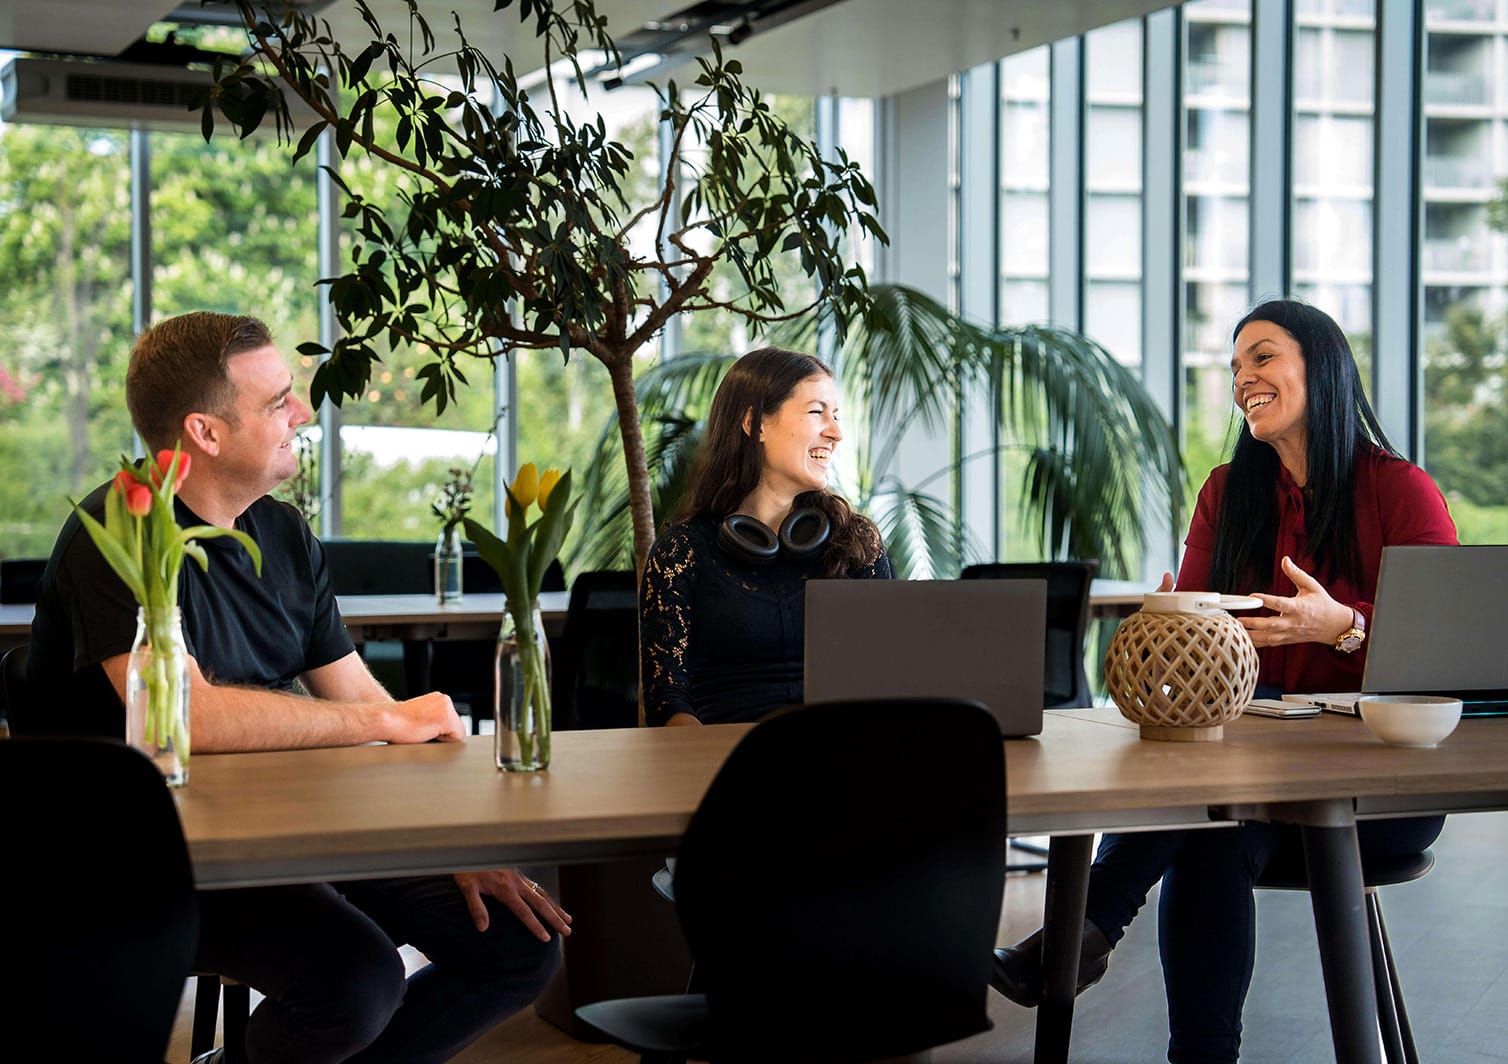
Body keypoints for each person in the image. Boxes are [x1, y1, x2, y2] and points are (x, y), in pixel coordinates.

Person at [26, 312, 572, 1064]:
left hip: (286, 836)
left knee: (517, 944)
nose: (304, 414)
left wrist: (442, 840)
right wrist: (387, 717)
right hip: (143, 862)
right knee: (356, 980)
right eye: (278, 400)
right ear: (205, 433)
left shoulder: (282, 534)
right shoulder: (120, 526)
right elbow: (195, 716)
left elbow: (356, 698)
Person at [991, 299, 1458, 1063]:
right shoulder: (1227, 491)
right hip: (1255, 777)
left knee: (1212, 808)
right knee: (1210, 826)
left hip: (1381, 786)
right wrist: (1172, 623)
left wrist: (1340, 625)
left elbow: (1443, 655)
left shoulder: (1400, 492)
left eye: (1262, 357)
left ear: (1322, 366)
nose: (1243, 379)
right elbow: (1193, 650)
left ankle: (1085, 929)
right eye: (1236, 366)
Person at [639, 346, 892, 727]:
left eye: (836, 415)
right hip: (726, 764)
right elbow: (667, 699)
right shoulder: (682, 553)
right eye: (816, 412)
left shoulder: (857, 542)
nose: (836, 432)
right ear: (755, 423)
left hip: (839, 758)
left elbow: (892, 674)